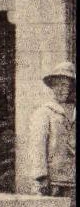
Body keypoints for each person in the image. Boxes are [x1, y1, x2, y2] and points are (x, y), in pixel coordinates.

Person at [27, 60, 75, 197]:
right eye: (56, 85)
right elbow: (37, 145)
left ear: (71, 87)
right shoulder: (45, 112)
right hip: (53, 182)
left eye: (64, 85)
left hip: (72, 179)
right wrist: (41, 176)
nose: (60, 89)